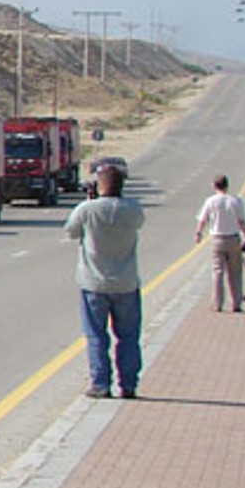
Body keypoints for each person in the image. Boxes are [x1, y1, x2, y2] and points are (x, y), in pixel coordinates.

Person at [63, 161, 146, 398]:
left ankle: (100, 383)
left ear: (99, 186)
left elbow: (71, 232)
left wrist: (90, 202)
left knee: (96, 335)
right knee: (128, 336)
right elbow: (139, 223)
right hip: (126, 282)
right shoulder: (132, 210)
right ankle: (128, 384)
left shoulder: (87, 210)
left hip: (94, 283)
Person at [193, 173, 245, 313]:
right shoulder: (235, 201)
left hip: (217, 239)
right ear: (227, 185)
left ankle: (218, 303)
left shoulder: (211, 201)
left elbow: (203, 219)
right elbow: (242, 221)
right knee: (235, 273)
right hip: (233, 238)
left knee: (218, 272)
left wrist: (198, 233)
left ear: (214, 186)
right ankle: (236, 303)